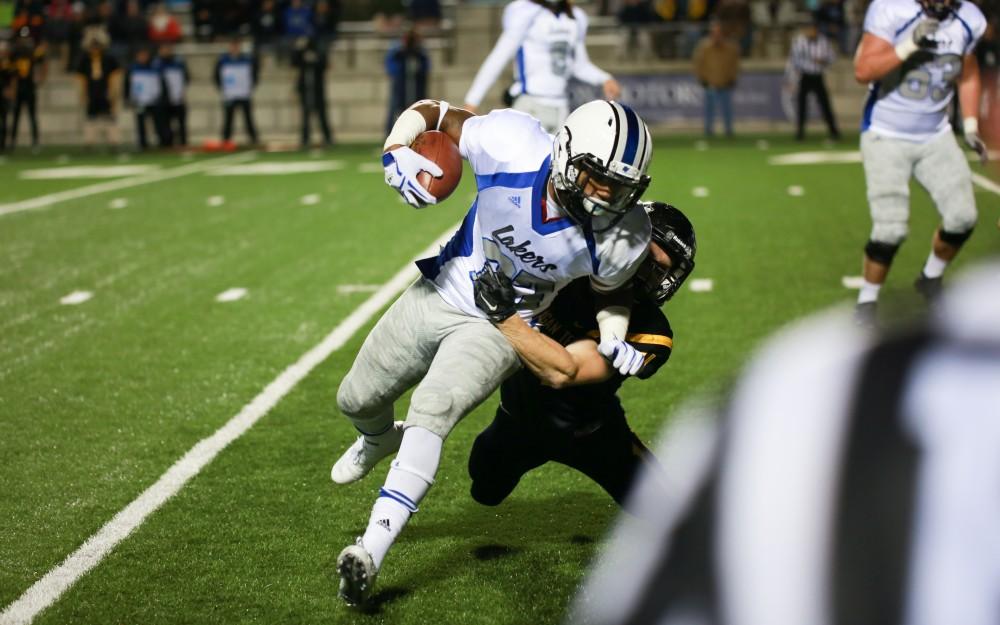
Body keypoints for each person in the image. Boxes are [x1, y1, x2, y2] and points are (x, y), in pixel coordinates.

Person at [332, 98, 656, 606]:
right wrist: (396, 147)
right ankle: (376, 439)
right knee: (355, 399)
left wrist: (613, 331)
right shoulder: (512, 146)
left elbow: (611, 290)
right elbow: (435, 112)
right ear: (566, 152)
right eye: (597, 177)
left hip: (503, 325)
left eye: (620, 186)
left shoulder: (624, 232)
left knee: (432, 410)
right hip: (443, 286)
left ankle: (369, 550)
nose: (607, 195)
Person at [567, 258, 1000, 625]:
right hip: (542, 411)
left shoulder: (821, 393)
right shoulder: (830, 391)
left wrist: (512, 322)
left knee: (662, 502)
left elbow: (567, 372)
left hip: (595, 422)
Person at [467, 202, 696, 512]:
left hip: (591, 434)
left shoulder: (653, 332)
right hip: (518, 418)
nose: (653, 279)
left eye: (662, 272)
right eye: (647, 261)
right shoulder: (566, 269)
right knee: (484, 489)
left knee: (666, 512)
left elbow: (564, 373)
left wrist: (504, 316)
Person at [852, 0, 987, 328]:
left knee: (963, 217)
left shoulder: (969, 19)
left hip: (935, 135)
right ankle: (867, 301)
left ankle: (930, 279)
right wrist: (909, 44)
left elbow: (967, 72)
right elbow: (863, 71)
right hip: (885, 133)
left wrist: (970, 125)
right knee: (891, 229)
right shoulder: (890, 9)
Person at [462, 0, 622, 133]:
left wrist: (605, 78)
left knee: (560, 169)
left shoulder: (575, 17)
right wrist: (472, 101)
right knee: (522, 168)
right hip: (530, 105)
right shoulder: (525, 11)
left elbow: (578, 65)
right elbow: (498, 58)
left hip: (561, 107)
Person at [788, 17, 840, 141]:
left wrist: (823, 60)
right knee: (802, 105)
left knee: (825, 105)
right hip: (805, 76)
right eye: (808, 29)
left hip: (817, 77)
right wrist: (801, 68)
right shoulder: (799, 42)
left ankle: (834, 131)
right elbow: (794, 59)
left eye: (812, 29)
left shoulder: (823, 41)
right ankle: (800, 133)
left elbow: (832, 57)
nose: (810, 31)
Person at [692, 20, 740, 138]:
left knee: (727, 110)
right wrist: (702, 79)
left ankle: (729, 132)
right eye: (714, 33)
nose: (716, 35)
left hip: (725, 84)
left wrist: (732, 79)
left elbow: (735, 65)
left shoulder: (731, 48)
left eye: (719, 33)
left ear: (723, 34)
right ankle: (709, 132)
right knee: (709, 111)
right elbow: (698, 64)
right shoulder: (704, 47)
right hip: (710, 84)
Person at [75, 29, 121, 150]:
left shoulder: (109, 59)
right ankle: (89, 142)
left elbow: (115, 77)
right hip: (91, 92)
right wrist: (82, 94)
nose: (95, 48)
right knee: (91, 117)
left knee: (110, 117)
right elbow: (81, 79)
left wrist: (114, 92)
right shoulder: (84, 60)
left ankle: (113, 141)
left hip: (106, 91)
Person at [384, 28, 429, 136]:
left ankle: (422, 135)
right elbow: (391, 68)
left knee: (421, 111)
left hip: (417, 88)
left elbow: (425, 68)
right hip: (400, 87)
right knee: (395, 110)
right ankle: (389, 136)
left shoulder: (421, 53)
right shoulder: (397, 52)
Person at [214, 37, 259, 147]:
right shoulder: (223, 60)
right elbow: (216, 76)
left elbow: (254, 74)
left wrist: (250, 87)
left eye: (236, 45)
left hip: (244, 94)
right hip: (230, 94)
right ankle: (226, 140)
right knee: (228, 118)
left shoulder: (247, 59)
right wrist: (223, 89)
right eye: (233, 45)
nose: (235, 48)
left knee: (248, 118)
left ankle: (254, 139)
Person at [292, 36, 333, 148]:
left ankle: (328, 138)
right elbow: (294, 62)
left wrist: (315, 59)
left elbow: (324, 64)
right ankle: (305, 138)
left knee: (322, 114)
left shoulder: (319, 51)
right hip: (306, 89)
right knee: (305, 115)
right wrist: (299, 50)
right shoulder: (302, 52)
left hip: (317, 89)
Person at [9, 29, 46, 150]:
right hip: (18, 87)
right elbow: (11, 73)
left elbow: (43, 62)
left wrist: (41, 77)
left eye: (26, 38)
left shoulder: (33, 52)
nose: (24, 41)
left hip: (30, 87)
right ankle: (12, 141)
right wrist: (12, 88)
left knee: (32, 116)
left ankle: (35, 141)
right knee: (16, 116)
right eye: (22, 38)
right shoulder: (14, 53)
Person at [124, 47, 165, 150]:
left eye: (145, 55)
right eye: (141, 55)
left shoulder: (155, 68)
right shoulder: (132, 68)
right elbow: (127, 85)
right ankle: (143, 144)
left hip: (154, 100)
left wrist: (160, 96)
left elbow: (160, 84)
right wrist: (128, 98)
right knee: (141, 123)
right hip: (140, 101)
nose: (143, 57)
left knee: (158, 122)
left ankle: (161, 142)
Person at [155, 43, 189, 147]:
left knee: (181, 123)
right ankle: (167, 144)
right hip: (163, 100)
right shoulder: (156, 64)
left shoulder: (178, 63)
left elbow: (186, 78)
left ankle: (183, 143)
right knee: (165, 125)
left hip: (178, 98)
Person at [0, 40, 12, 152]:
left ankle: (3, 145)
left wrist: (9, 90)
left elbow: (11, 78)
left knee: (4, 121)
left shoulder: (7, 64)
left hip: (3, 95)